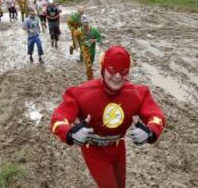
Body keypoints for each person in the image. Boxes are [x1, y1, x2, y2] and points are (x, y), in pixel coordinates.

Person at [51, 45, 166, 188]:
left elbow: (156, 115)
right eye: (112, 70)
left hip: (118, 148)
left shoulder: (138, 94)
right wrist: (69, 133)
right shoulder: (81, 94)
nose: (117, 76)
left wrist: (150, 131)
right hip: (94, 151)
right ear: (102, 68)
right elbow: (59, 117)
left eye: (123, 72)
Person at [73, 15, 101, 80]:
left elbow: (99, 38)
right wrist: (77, 45)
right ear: (81, 23)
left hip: (92, 51)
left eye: (86, 22)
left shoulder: (94, 30)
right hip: (84, 50)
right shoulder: (79, 31)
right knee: (88, 66)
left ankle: (90, 72)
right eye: (84, 22)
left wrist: (94, 40)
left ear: (89, 22)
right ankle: (90, 80)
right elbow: (75, 36)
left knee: (90, 65)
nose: (85, 24)